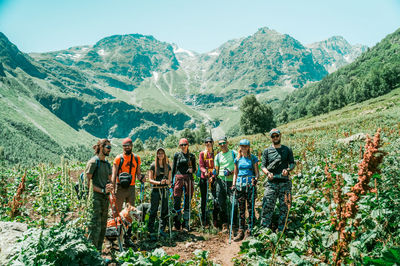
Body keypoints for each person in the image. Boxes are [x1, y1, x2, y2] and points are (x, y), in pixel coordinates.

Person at [260, 129, 295, 232]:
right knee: (267, 207)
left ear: (280, 136)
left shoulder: (287, 150)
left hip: (284, 183)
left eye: (277, 136)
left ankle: (282, 231)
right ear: (271, 138)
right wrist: (267, 173)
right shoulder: (267, 151)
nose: (275, 138)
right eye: (273, 136)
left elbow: (292, 163)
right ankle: (264, 231)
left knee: (284, 208)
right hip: (271, 183)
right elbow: (263, 166)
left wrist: (288, 170)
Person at [111, 137, 142, 245]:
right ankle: (114, 236)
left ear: (132, 146)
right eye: (125, 145)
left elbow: (138, 173)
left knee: (130, 214)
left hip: (131, 187)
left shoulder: (137, 158)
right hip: (120, 188)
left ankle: (127, 237)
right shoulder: (118, 159)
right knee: (117, 212)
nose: (127, 147)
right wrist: (113, 191)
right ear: (122, 147)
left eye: (128, 145)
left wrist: (141, 178)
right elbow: (114, 176)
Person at [85, 138, 113, 251]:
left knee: (102, 227)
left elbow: (109, 180)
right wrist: (102, 190)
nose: (109, 150)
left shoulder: (107, 164)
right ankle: (91, 254)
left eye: (110, 148)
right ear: (101, 147)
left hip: (105, 199)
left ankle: (98, 253)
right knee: (94, 226)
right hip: (95, 199)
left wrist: (110, 186)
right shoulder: (93, 162)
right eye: (108, 147)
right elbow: (87, 183)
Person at [232, 139, 259, 241]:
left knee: (251, 208)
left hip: (250, 185)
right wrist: (234, 185)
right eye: (241, 146)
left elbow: (257, 173)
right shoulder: (237, 159)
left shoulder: (253, 158)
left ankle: (250, 229)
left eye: (245, 146)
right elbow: (235, 173)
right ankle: (241, 230)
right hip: (240, 185)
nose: (243, 148)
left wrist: (255, 179)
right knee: (241, 208)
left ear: (248, 147)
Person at [172, 138, 196, 232]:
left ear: (188, 145)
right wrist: (171, 182)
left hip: (188, 179)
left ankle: (186, 223)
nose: (183, 146)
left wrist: (192, 170)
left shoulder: (192, 156)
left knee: (187, 200)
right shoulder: (177, 155)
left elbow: (194, 168)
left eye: (184, 144)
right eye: (181, 145)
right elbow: (174, 168)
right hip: (178, 178)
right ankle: (176, 224)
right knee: (176, 200)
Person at [214, 136, 238, 232]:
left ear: (227, 143)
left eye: (224, 143)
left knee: (234, 203)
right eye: (220, 144)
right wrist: (213, 173)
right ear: (218, 145)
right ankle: (224, 224)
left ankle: (234, 224)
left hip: (232, 181)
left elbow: (238, 166)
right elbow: (216, 169)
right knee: (221, 203)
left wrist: (232, 171)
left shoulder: (234, 153)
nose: (222, 145)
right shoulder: (218, 156)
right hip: (220, 181)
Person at [148, 147, 172, 240]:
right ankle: (151, 230)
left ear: (164, 154)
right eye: (159, 153)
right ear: (157, 155)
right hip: (155, 190)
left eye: (162, 153)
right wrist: (159, 182)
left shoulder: (168, 166)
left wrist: (167, 182)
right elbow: (150, 179)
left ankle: (161, 229)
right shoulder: (153, 166)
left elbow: (169, 180)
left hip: (164, 190)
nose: (160, 155)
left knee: (164, 210)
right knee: (153, 210)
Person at [198, 137, 216, 227]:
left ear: (213, 143)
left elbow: (217, 167)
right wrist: (205, 171)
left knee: (215, 198)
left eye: (210, 142)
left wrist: (212, 176)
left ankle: (215, 219)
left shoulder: (216, 153)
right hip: (204, 179)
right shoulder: (202, 154)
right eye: (206, 142)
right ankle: (204, 219)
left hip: (214, 178)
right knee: (204, 199)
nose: (208, 143)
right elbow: (201, 165)